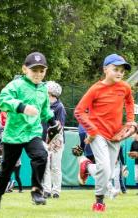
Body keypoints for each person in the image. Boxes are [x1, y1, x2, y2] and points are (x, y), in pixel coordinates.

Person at [0, 52, 61, 210]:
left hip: (32, 132)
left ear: (45, 71)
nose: (38, 74)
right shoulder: (16, 85)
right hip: (14, 134)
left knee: (41, 156)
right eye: (34, 70)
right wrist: (22, 107)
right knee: (7, 169)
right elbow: (2, 100)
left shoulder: (43, 89)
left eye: (41, 71)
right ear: (24, 69)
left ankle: (36, 190)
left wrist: (52, 122)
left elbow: (44, 110)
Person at [75, 54, 135, 212]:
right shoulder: (95, 89)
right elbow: (79, 111)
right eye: (116, 69)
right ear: (105, 69)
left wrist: (129, 120)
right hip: (98, 134)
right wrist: (92, 130)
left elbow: (129, 101)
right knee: (105, 168)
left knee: (107, 174)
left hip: (116, 135)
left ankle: (87, 167)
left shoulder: (125, 87)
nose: (120, 73)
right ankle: (99, 202)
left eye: (122, 70)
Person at [42, 81, 66, 199]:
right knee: (45, 165)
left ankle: (56, 190)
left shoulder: (59, 107)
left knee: (55, 166)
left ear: (51, 93)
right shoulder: (42, 105)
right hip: (43, 139)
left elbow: (60, 126)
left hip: (57, 140)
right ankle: (46, 190)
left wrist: (53, 140)